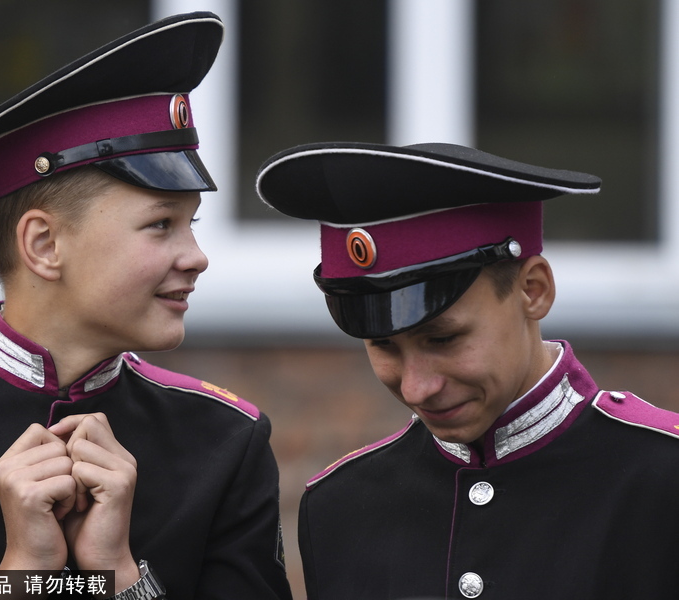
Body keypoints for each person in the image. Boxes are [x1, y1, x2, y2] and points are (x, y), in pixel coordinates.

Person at [0, 12, 292, 600]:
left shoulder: (225, 440)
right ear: (44, 245)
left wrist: (120, 576)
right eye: (161, 224)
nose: (197, 257)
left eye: (192, 224)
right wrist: (21, 575)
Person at [256, 141, 679, 599]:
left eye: (443, 339)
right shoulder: (340, 507)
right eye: (383, 345)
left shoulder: (661, 476)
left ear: (533, 290)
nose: (417, 388)